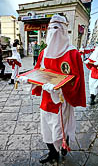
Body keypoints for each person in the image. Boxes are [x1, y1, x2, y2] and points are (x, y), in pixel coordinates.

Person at [18, 14, 86, 163]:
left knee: (59, 129)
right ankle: (52, 153)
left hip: (62, 100)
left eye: (56, 28)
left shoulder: (72, 53)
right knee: (46, 129)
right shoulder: (44, 53)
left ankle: (63, 143)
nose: (53, 31)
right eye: (50, 28)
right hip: (46, 100)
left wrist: (59, 88)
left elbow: (77, 80)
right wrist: (28, 80)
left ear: (63, 30)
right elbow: (38, 72)